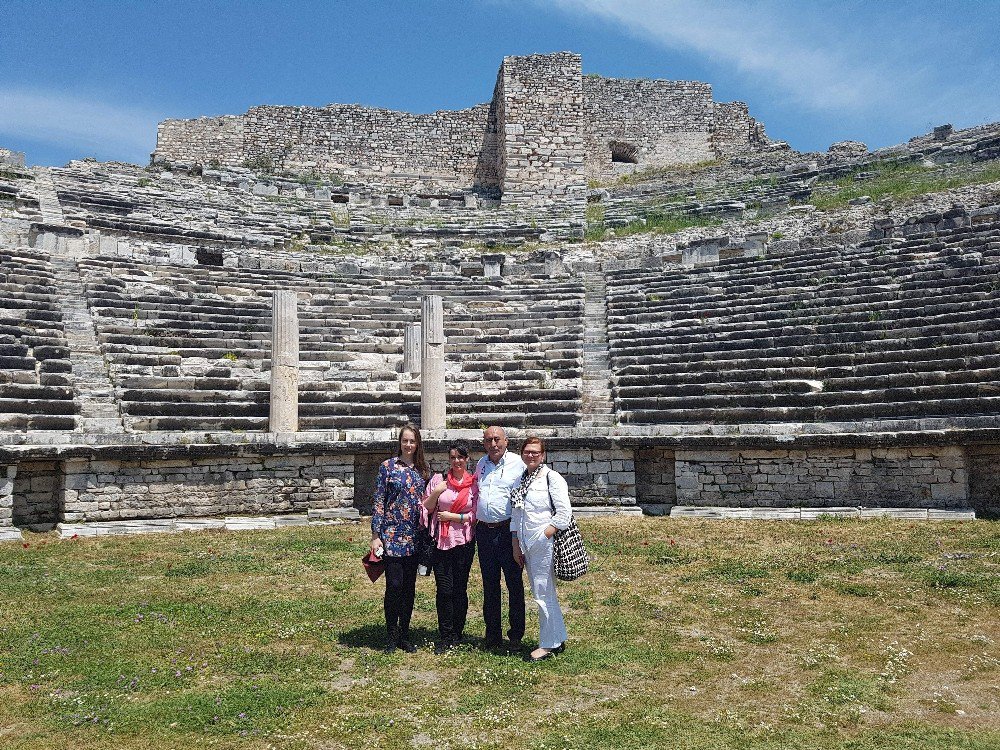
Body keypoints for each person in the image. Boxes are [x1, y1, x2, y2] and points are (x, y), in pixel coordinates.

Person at [510, 436, 572, 662]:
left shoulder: (551, 478)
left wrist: (545, 534)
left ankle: (548, 644)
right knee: (543, 592)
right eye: (527, 452)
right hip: (526, 544)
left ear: (543, 455)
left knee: (543, 592)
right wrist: (516, 543)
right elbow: (516, 516)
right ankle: (557, 636)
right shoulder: (520, 480)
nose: (531, 455)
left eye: (535, 452)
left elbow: (564, 513)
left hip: (544, 543)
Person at [370, 422, 430, 653]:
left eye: (412, 441)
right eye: (405, 441)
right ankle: (391, 634)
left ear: (417, 444)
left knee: (409, 588)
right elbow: (378, 502)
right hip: (392, 535)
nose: (408, 445)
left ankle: (404, 633)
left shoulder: (423, 471)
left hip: (414, 536)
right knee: (394, 585)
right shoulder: (388, 467)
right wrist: (376, 535)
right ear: (400, 443)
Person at [473, 425, 526, 651]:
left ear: (506, 441)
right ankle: (492, 635)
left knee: (514, 584)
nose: (493, 444)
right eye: (488, 440)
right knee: (490, 585)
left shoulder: (518, 464)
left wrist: (518, 535)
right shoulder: (481, 464)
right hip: (484, 532)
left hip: (508, 532)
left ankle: (515, 636)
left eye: (497, 439)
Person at [423, 440, 477, 654]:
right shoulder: (438, 480)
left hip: (463, 542)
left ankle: (457, 632)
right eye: (453, 457)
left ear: (467, 459)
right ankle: (445, 635)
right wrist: (436, 492)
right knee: (444, 590)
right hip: (441, 542)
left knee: (460, 589)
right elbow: (426, 507)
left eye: (460, 457)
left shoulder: (474, 484)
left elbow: (475, 514)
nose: (457, 461)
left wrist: (454, 516)